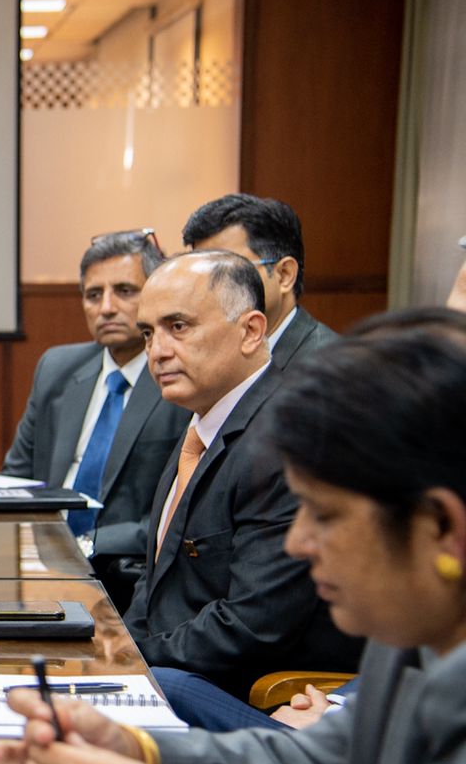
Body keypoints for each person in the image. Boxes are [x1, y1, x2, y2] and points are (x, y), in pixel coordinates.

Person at [0, 317, 466, 764]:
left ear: (441, 527)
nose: (298, 542)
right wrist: (137, 754)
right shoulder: (415, 632)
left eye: (325, 515)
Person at [123, 251, 361, 711]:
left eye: (178, 326)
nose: (157, 351)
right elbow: (155, 587)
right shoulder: (202, 423)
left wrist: (129, 659)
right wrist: (112, 652)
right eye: (148, 333)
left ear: (251, 331)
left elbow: (254, 625)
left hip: (251, 698)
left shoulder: (287, 438)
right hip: (168, 670)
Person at [2, 229, 188, 610]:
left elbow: (177, 517)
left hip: (126, 577)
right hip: (39, 566)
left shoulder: (180, 382)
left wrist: (84, 544)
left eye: (125, 291)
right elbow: (16, 480)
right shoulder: (57, 368)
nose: (106, 307)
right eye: (93, 295)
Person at [182, 193, 337, 370]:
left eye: (229, 271)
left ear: (284, 275)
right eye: (203, 274)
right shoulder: (200, 354)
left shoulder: (330, 366)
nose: (210, 288)